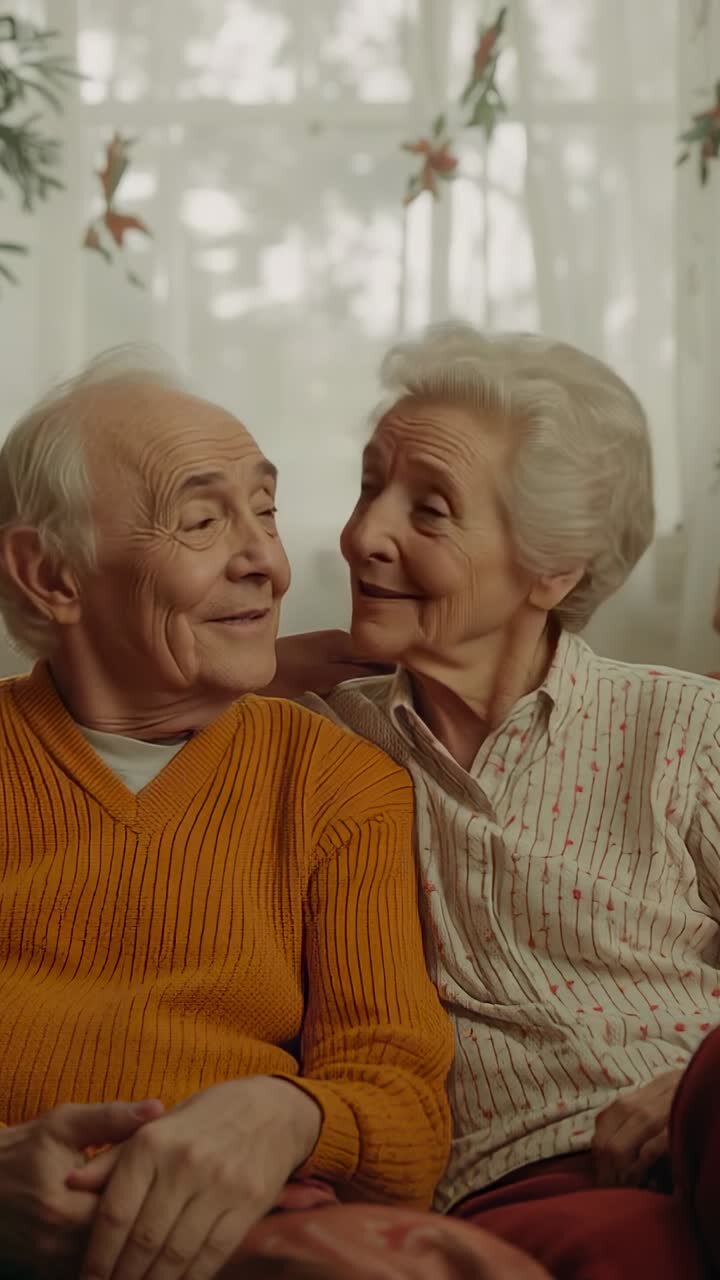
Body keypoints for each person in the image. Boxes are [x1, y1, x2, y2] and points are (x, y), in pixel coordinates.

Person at [0, 351, 466, 1280]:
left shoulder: (335, 782)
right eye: (203, 521)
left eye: (266, 511)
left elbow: (407, 1110)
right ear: (52, 573)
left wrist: (289, 1112)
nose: (267, 563)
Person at [271, 322, 720, 1278]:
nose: (361, 536)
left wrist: (691, 1082)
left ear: (553, 571)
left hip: (706, 1110)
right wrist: (262, 664)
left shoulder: (688, 728)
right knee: (630, 1253)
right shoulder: (319, 747)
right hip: (528, 1173)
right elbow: (103, 697)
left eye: (428, 511)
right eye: (367, 487)